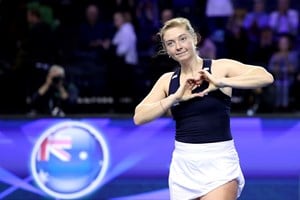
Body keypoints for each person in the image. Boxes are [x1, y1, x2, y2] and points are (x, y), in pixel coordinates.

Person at [133, 17, 274, 200]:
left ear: (194, 39)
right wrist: (174, 98)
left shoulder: (219, 67)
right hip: (184, 165)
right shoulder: (167, 80)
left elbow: (265, 76)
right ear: (167, 50)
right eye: (171, 43)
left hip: (219, 162)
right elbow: (139, 116)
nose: (178, 46)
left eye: (183, 39)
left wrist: (222, 82)